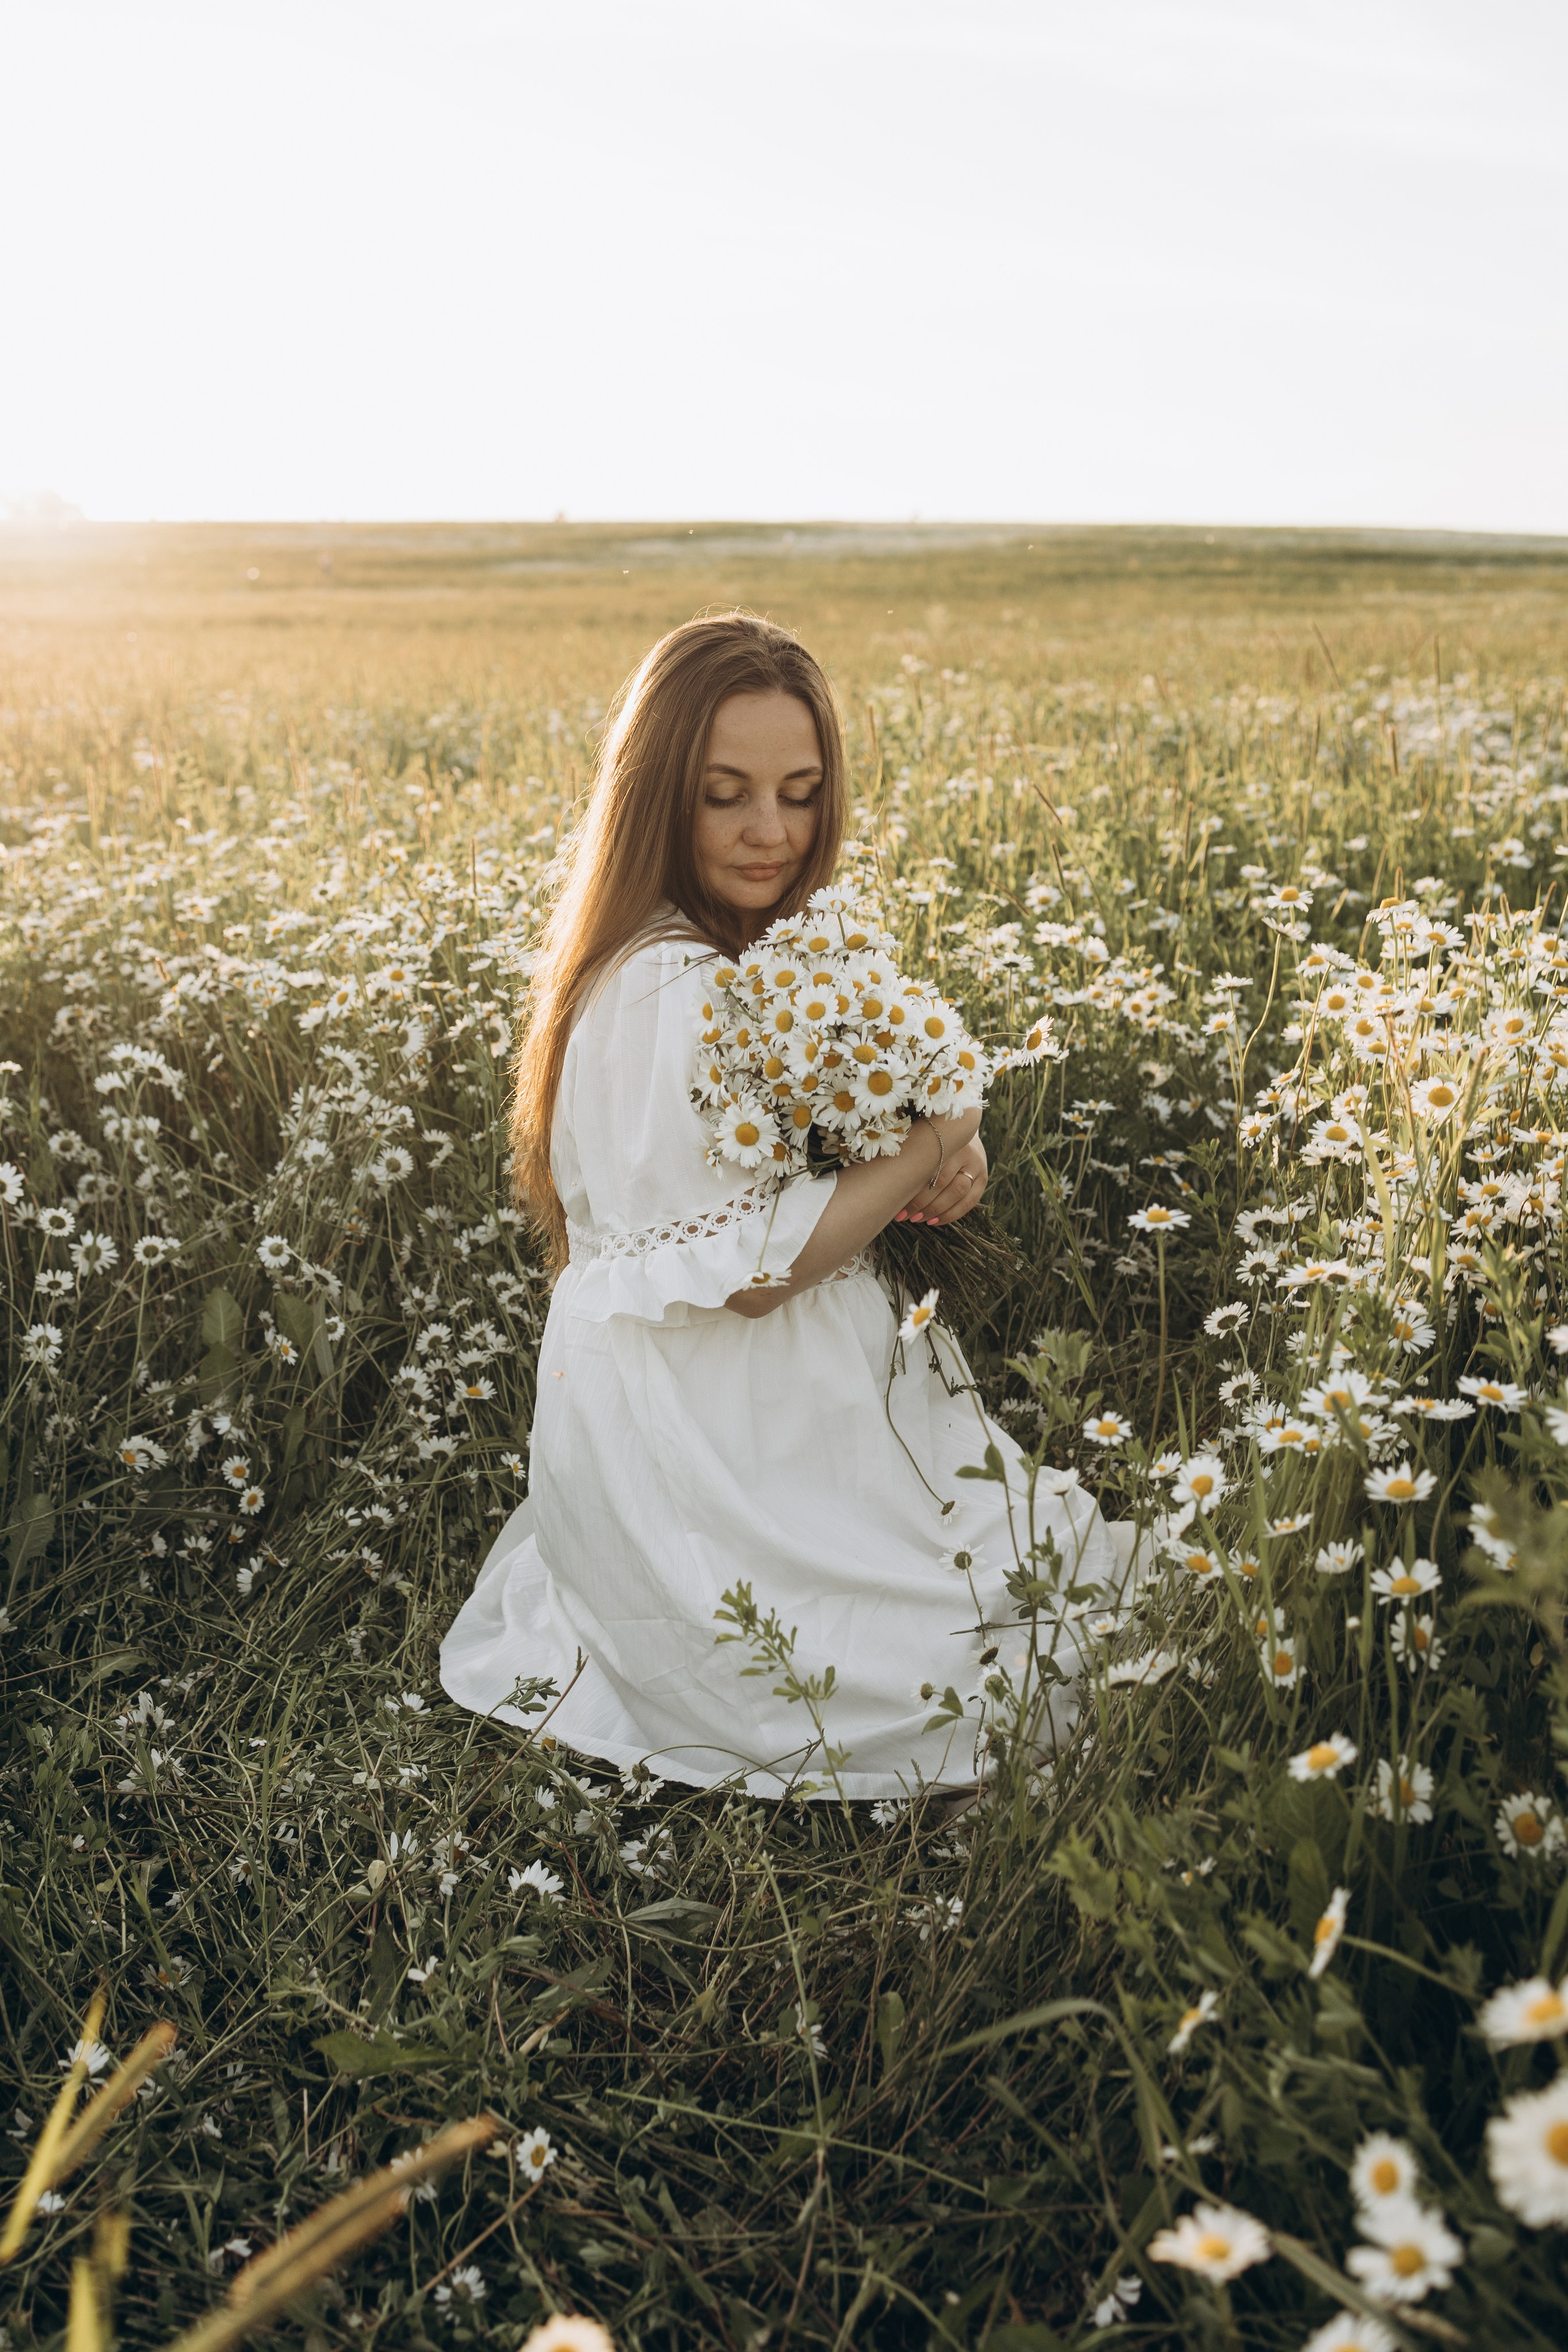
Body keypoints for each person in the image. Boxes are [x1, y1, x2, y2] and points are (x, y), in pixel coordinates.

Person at [439, 613, 1125, 1798]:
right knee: (983, 1658)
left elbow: (806, 1171)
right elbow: (756, 1278)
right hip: (714, 1451)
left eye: (801, 792)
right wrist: (929, 1138)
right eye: (726, 795)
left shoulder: (729, 957)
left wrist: (929, 1153)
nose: (772, 831)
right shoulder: (667, 984)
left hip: (712, 1414)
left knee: (1021, 1588)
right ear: (659, 796)